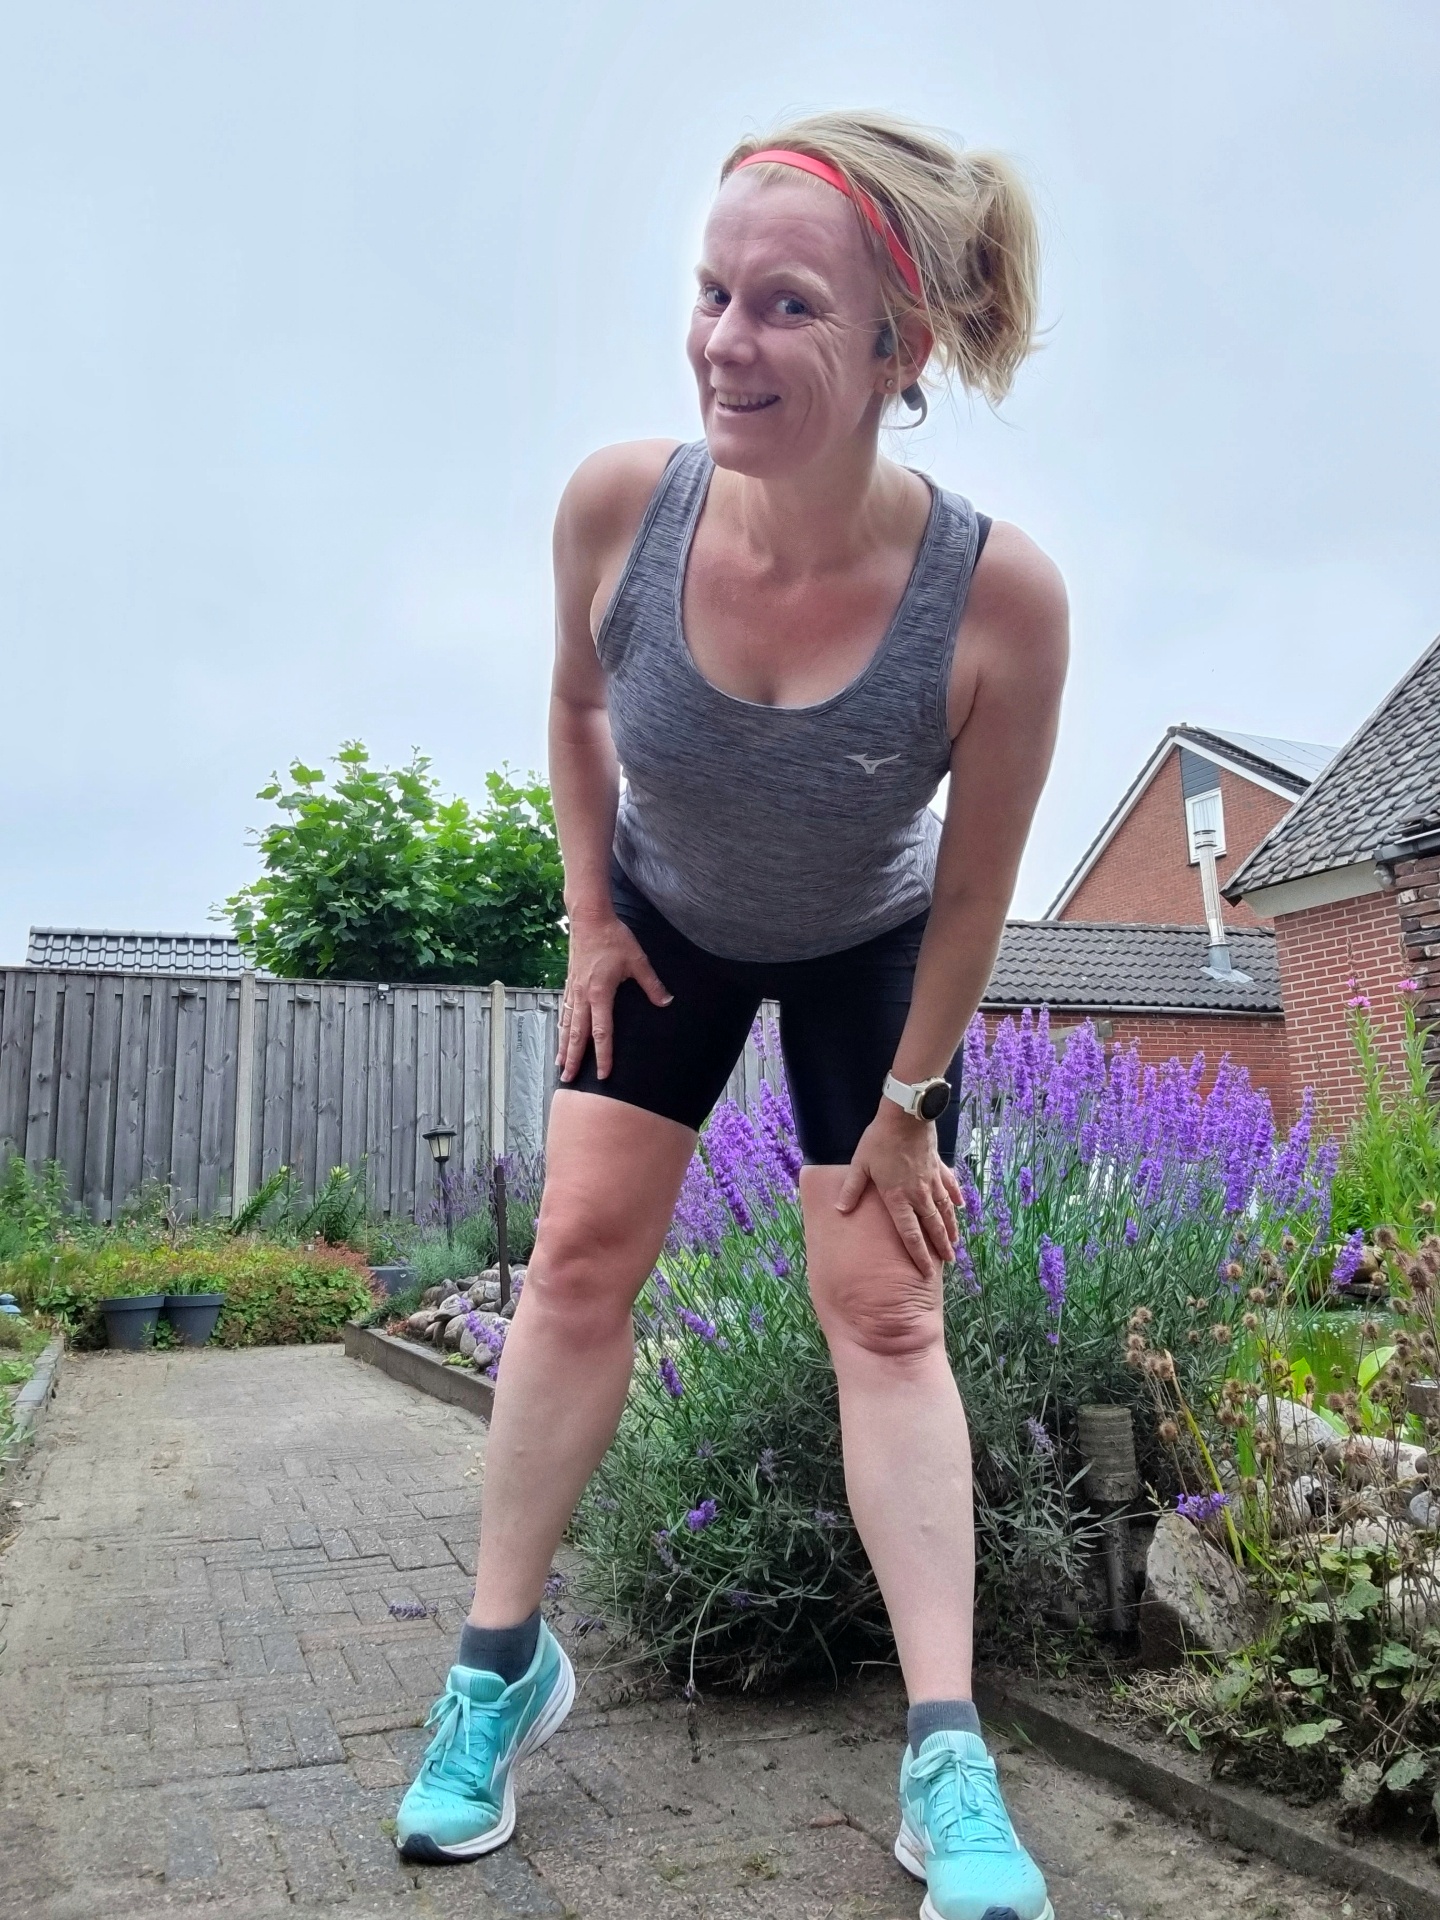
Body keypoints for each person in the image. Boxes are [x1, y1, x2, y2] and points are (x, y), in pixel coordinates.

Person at [397, 109, 1068, 1920]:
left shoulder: (997, 599)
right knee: (575, 1262)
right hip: (672, 924)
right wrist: (590, 921)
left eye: (785, 305)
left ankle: (947, 1761)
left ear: (898, 349)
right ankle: (496, 1672)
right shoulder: (621, 509)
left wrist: (909, 1105)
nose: (725, 341)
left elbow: (976, 893)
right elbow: (576, 714)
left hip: (873, 950)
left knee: (887, 1311)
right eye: (711, 293)